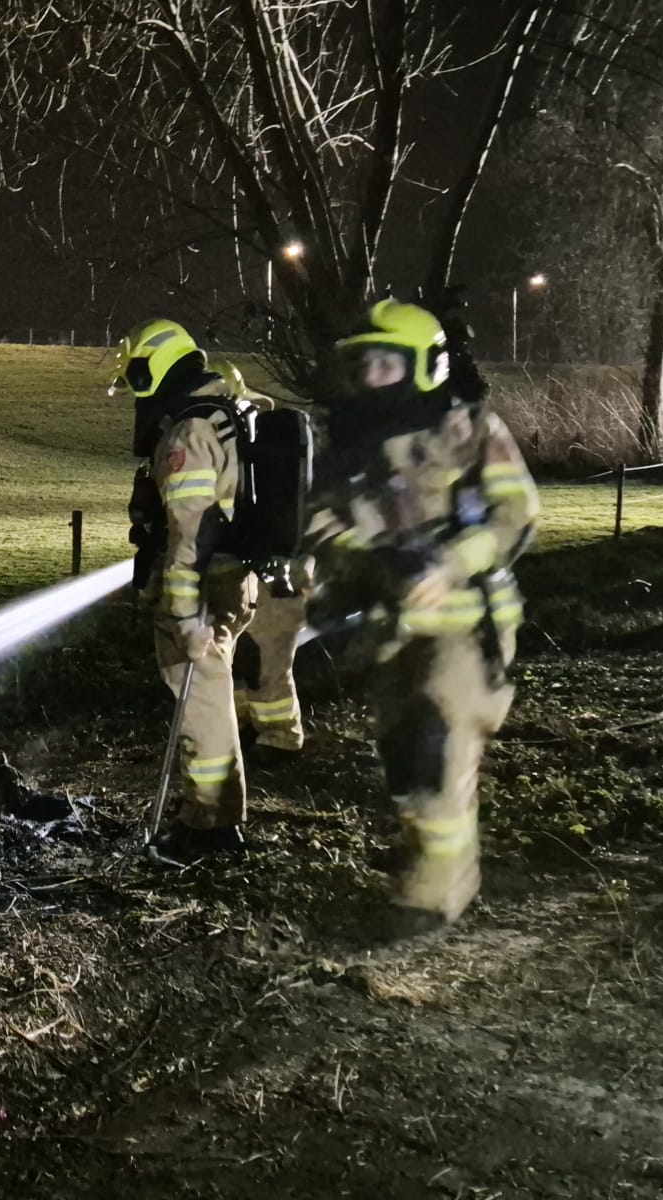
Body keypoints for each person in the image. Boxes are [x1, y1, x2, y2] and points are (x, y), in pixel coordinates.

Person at [306, 299, 538, 936]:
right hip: (391, 629)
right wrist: (368, 560)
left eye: (386, 363)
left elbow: (516, 513)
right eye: (363, 365)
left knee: (437, 744)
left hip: (466, 628)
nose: (371, 377)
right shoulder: (346, 444)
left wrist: (448, 562)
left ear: (424, 365)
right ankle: (424, 856)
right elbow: (319, 524)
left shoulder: (469, 429)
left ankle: (435, 895)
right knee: (404, 756)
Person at [116, 319, 258, 863]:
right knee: (210, 695)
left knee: (201, 702)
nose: (136, 393)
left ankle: (212, 827)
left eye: (137, 378)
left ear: (155, 368)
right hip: (231, 578)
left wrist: (181, 612)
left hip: (203, 585)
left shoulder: (189, 434)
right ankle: (211, 814)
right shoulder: (224, 413)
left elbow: (187, 533)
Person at [220, 363, 311, 763]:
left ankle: (281, 737)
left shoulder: (254, 445)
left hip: (280, 568)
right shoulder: (248, 440)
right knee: (247, 654)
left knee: (268, 655)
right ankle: (248, 726)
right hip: (267, 563)